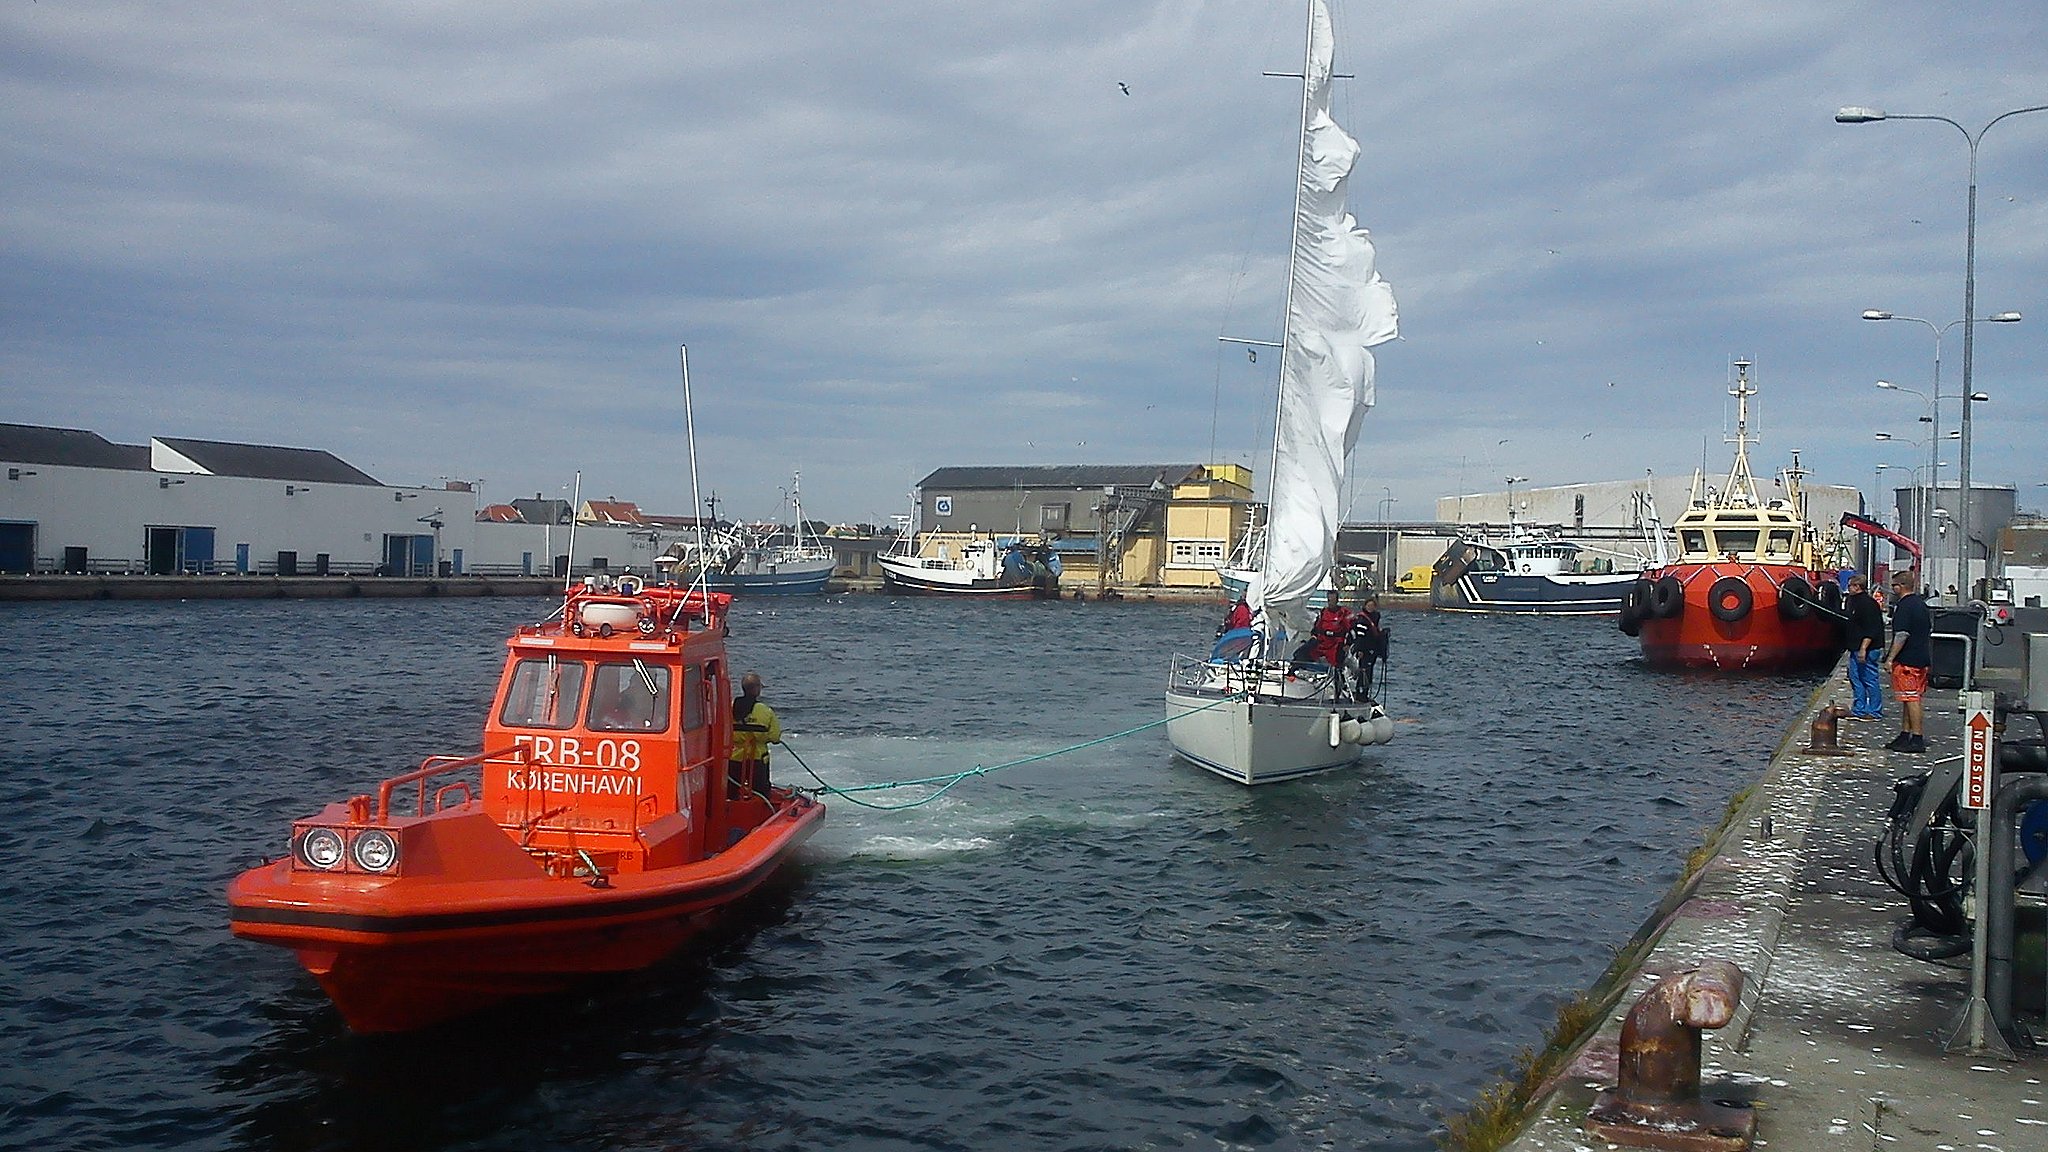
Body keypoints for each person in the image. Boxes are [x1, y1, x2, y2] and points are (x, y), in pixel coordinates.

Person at [1883, 570, 1932, 753]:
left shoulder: (1904, 606)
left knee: (1912, 699)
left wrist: (1890, 659)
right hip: (1921, 658)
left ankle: (1917, 738)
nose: (1893, 589)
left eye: (1894, 585)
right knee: (1908, 697)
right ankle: (1905, 734)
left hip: (1908, 662)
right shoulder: (1920, 604)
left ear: (1901, 586)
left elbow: (1901, 635)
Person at [729, 672, 782, 799]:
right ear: (757, 689)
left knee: (731, 792)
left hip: (734, 758)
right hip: (757, 759)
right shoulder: (765, 710)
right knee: (761, 793)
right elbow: (775, 737)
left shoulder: (730, 706)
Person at [1843, 574, 1885, 720]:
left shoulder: (1867, 604)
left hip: (1867, 648)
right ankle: (1859, 709)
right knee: (1856, 678)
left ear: (1857, 587)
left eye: (1850, 586)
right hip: (1855, 647)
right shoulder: (1853, 602)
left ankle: (1874, 711)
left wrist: (1863, 649)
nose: (1848, 589)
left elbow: (1871, 629)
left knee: (1869, 679)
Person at [1347, 594, 1389, 702]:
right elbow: (1360, 636)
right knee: (1364, 671)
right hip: (1364, 650)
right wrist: (1360, 650)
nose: (1370, 608)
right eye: (1368, 605)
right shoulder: (1362, 620)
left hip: (1372, 649)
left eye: (1372, 606)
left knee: (1368, 671)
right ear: (1365, 606)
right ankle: (1360, 693)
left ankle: (1365, 693)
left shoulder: (1374, 618)